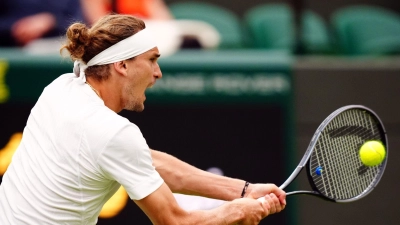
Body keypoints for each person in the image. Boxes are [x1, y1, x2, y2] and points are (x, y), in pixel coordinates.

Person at [0, 14, 286, 224]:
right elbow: (175, 222)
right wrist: (238, 211)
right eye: (151, 60)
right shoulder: (113, 133)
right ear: (122, 65)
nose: (158, 73)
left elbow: (149, 162)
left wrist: (243, 190)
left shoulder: (61, 88)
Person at [0, 0, 86, 47]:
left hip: (54, 46)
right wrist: (18, 27)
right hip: (11, 49)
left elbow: (79, 22)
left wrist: (52, 22)